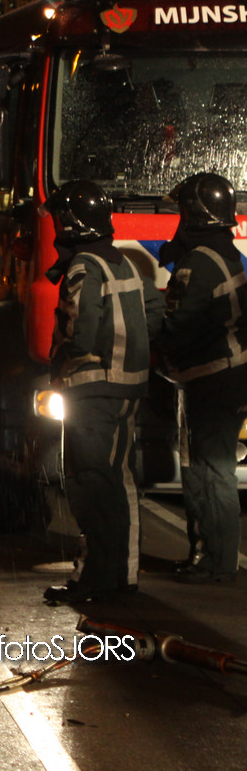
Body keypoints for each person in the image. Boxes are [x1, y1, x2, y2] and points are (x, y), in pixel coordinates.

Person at [39, 181, 163, 604]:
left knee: (90, 485)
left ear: (71, 223)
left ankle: (95, 579)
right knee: (118, 481)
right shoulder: (123, 261)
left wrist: (64, 356)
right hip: (129, 387)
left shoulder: (83, 266)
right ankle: (121, 577)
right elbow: (154, 311)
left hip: (91, 389)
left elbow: (81, 328)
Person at [155, 172, 247, 585]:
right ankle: (210, 555)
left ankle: (215, 561)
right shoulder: (224, 253)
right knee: (207, 468)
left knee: (210, 472)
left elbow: (178, 327)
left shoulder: (199, 264)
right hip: (224, 377)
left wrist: (148, 333)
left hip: (213, 380)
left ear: (192, 214)